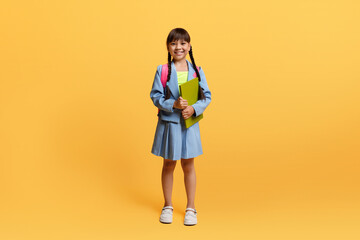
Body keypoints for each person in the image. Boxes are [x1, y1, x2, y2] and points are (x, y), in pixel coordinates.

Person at [150, 28, 212, 226]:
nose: (178, 47)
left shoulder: (197, 70)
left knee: (188, 165)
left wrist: (194, 108)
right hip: (170, 125)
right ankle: (167, 205)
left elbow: (207, 96)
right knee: (169, 164)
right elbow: (155, 96)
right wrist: (173, 104)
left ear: (189, 46)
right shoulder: (163, 70)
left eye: (183, 43)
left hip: (189, 125)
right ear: (168, 47)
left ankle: (191, 208)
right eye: (174, 43)